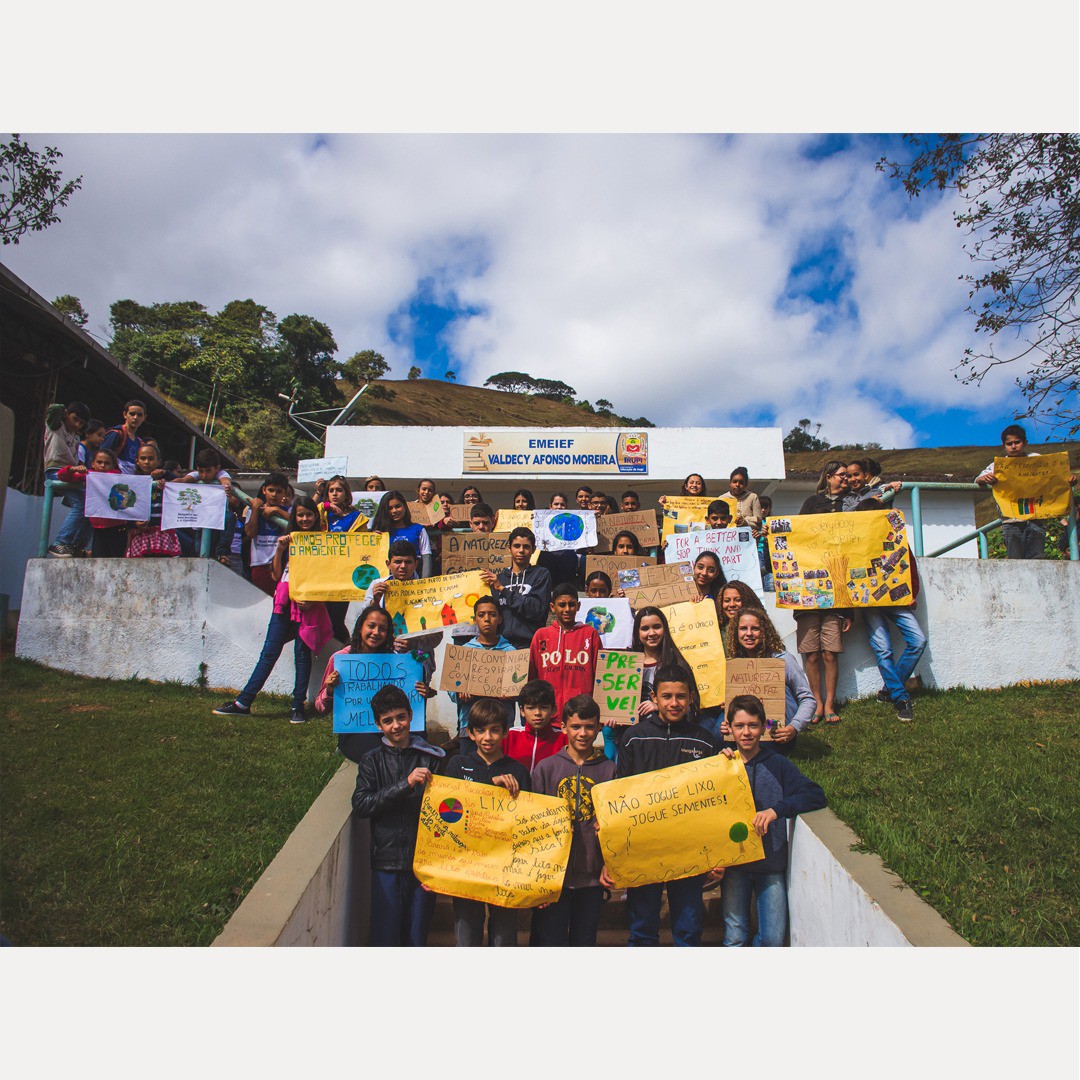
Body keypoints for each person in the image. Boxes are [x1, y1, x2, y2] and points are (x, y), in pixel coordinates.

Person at [607, 665, 724, 947]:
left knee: (688, 930)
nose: (674, 703)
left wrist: (716, 855)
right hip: (645, 848)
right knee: (643, 929)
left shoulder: (704, 741)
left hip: (688, 851)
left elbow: (714, 805)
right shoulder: (634, 737)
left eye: (681, 696)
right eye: (667, 696)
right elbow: (620, 793)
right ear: (654, 697)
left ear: (692, 697)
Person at [719, 694, 826, 947]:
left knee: (772, 939)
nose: (746, 733)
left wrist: (777, 810)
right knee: (734, 937)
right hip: (734, 866)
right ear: (729, 728)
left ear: (763, 726)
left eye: (753, 725)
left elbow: (814, 794)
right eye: (740, 726)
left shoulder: (778, 764)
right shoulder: (721, 764)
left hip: (771, 865)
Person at [213, 496, 331, 724]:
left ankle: (298, 706)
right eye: (300, 515)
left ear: (315, 517)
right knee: (269, 653)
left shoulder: (324, 543)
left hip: (307, 606)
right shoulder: (287, 540)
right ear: (294, 518)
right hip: (284, 604)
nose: (305, 518)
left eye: (309, 514)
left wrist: (314, 599)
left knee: (301, 655)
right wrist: (279, 550)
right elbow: (276, 576)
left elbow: (328, 578)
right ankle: (243, 702)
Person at [351, 684, 446, 947]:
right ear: (378, 725)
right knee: (385, 939)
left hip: (423, 864)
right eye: (388, 721)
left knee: (416, 938)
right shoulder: (371, 760)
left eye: (401, 717)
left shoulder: (432, 758)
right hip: (386, 863)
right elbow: (361, 804)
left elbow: (450, 808)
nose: (396, 726)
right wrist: (405, 784)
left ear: (411, 716)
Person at [444, 697, 532, 946]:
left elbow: (526, 821)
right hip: (466, 865)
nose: (488, 737)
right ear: (470, 733)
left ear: (505, 732)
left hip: (504, 867)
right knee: (467, 937)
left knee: (504, 939)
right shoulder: (457, 765)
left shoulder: (519, 771)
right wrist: (489, 787)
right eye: (480, 730)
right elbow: (448, 812)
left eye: (495, 730)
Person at [531, 694, 615, 947]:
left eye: (590, 727)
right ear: (563, 727)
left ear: (599, 728)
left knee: (584, 940)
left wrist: (609, 863)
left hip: (592, 877)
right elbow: (532, 827)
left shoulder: (610, 770)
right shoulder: (545, 769)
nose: (583, 733)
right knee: (549, 941)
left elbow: (616, 827)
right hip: (552, 876)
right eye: (576, 726)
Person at [315, 604, 437, 759]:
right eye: (371, 626)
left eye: (382, 629)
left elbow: (411, 699)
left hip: (394, 728)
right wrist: (330, 690)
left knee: (413, 750)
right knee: (383, 754)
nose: (376, 633)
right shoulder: (341, 660)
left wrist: (424, 692)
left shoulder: (398, 661)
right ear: (360, 628)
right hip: (358, 731)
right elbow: (320, 707)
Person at [796, 460, 852, 723]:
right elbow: (796, 538)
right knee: (812, 653)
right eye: (842, 475)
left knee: (830, 652)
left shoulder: (853, 504)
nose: (846, 479)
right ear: (829, 477)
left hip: (838, 592)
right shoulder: (811, 503)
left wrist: (849, 608)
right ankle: (816, 703)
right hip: (808, 589)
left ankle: (830, 704)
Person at [975, 424, 1072, 560]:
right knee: (1015, 560)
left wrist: (1069, 480)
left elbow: (1053, 476)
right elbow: (978, 479)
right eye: (1009, 444)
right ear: (1004, 445)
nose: (1013, 446)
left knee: (1036, 557)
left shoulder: (1036, 459)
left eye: (1017, 442)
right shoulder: (998, 466)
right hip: (1011, 520)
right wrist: (984, 478)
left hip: (1036, 517)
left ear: (1025, 443)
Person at [720, 608, 817, 742]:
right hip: (747, 726)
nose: (749, 634)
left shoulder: (783, 659)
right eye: (743, 629)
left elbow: (808, 699)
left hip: (776, 728)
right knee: (717, 734)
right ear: (736, 632)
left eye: (755, 629)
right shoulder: (736, 664)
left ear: (764, 632)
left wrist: (794, 727)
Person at [446, 596, 517, 740]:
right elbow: (451, 691)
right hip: (470, 725)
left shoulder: (511, 653)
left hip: (502, 727)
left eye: (492, 614)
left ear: (500, 619)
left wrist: (512, 694)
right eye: (481, 615)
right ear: (475, 620)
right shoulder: (463, 652)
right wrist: (460, 691)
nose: (487, 619)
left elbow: (519, 690)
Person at [528, 581, 601, 719]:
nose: (567, 609)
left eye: (572, 604)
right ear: (552, 607)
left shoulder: (590, 634)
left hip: (580, 714)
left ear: (578, 606)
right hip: (548, 715)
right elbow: (532, 676)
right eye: (562, 605)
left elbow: (600, 674)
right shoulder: (541, 635)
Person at [865, 558, 926, 722]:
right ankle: (901, 699)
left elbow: (909, 564)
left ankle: (888, 691)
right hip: (869, 601)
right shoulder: (860, 533)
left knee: (918, 641)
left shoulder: (894, 531)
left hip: (896, 597)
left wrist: (913, 593)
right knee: (883, 650)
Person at [481, 527, 552, 650]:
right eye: (517, 546)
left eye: (526, 547)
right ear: (509, 548)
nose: (521, 551)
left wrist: (503, 590)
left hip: (530, 645)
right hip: (501, 646)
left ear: (533, 549)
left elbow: (535, 609)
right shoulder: (499, 579)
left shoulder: (541, 574)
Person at [43, 400, 91, 557]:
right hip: (55, 471)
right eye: (74, 419)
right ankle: (60, 542)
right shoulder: (56, 426)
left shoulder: (75, 437)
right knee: (80, 505)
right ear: (66, 415)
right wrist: (63, 411)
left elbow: (75, 459)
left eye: (81, 423)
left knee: (91, 504)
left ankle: (76, 544)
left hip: (71, 473)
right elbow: (53, 409)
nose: (77, 424)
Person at [125, 443, 181, 558]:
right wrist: (134, 523)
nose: (146, 462)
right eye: (143, 458)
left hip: (162, 531)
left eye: (151, 459)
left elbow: (179, 483)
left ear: (158, 461)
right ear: (137, 461)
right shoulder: (132, 482)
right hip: (141, 532)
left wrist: (165, 472)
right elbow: (126, 509)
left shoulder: (164, 479)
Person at [503, 679, 566, 771]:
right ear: (522, 711)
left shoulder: (564, 739)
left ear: (554, 710)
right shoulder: (509, 736)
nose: (537, 713)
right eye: (531, 708)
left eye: (544, 707)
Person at [245, 472, 291, 596]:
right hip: (260, 564)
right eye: (271, 490)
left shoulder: (288, 511)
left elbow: (297, 524)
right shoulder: (253, 509)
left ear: (284, 493)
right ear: (264, 490)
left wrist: (277, 510)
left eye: (279, 491)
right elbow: (250, 533)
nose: (274, 495)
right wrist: (255, 509)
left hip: (283, 564)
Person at [371, 491, 432, 578]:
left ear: (404, 506)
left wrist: (424, 582)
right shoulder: (380, 533)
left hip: (414, 583)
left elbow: (426, 558)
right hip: (386, 583)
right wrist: (371, 541)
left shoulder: (418, 529)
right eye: (390, 508)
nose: (394, 511)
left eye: (397, 506)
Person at [365, 539, 420, 607]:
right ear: (388, 564)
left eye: (408, 562)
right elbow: (362, 616)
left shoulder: (426, 589)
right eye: (398, 562)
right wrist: (375, 601)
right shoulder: (377, 585)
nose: (403, 566)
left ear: (416, 564)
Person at [100, 400, 147, 475]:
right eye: (132, 414)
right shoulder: (116, 434)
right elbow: (101, 458)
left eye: (139, 415)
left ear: (144, 417)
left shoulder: (140, 442)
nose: (135, 417)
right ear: (125, 414)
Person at [754, 495, 774, 591]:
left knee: (770, 582)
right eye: (761, 507)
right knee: (759, 580)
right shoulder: (754, 521)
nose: (763, 510)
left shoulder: (772, 522)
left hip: (770, 554)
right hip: (758, 552)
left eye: (766, 507)